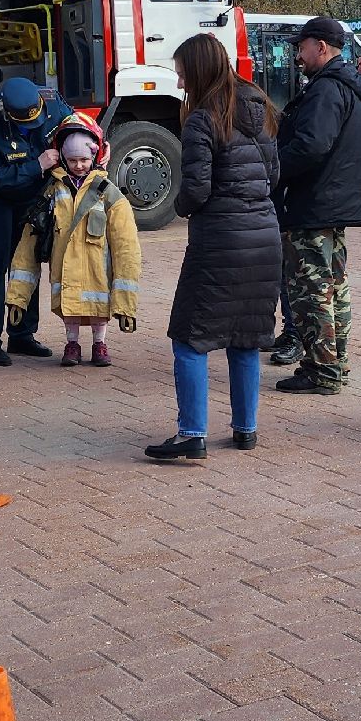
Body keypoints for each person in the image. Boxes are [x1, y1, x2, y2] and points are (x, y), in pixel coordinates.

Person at [146, 34, 280, 461]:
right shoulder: (259, 108)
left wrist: (180, 206)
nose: (181, 81)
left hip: (220, 240)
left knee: (189, 336)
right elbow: (273, 176)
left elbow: (198, 189)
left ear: (198, 70)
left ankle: (192, 433)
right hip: (263, 236)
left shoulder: (203, 119)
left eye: (183, 72)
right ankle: (246, 429)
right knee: (246, 335)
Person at [272, 16, 361, 395]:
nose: (297, 54)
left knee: (311, 290)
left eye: (301, 47)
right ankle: (335, 363)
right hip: (333, 203)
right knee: (333, 287)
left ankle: (322, 371)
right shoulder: (343, 85)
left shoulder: (326, 90)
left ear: (320, 47)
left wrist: (274, 170)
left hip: (316, 204)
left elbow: (312, 145)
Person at [6, 116, 140, 366]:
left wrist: (126, 306)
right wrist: (17, 297)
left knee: (99, 311)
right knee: (71, 312)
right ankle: (72, 344)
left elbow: (126, 248)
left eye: (84, 160)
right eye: (72, 160)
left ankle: (100, 344)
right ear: (62, 159)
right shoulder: (52, 192)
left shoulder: (108, 192)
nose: (79, 165)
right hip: (65, 272)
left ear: (96, 156)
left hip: (97, 271)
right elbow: (27, 246)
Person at [0, 77, 73, 366]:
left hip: (29, 191)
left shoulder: (51, 101)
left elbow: (75, 129)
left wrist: (98, 143)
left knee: (27, 258)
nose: (33, 126)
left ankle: (22, 333)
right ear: (6, 112)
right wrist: (36, 165)